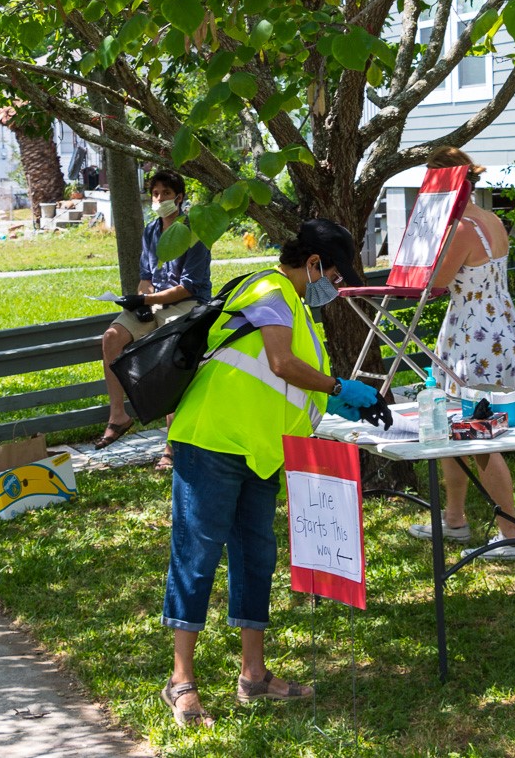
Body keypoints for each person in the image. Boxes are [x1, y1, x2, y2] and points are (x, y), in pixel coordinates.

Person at [159, 219, 384, 727]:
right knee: (197, 557)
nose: (335, 286)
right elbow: (281, 363)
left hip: (259, 453)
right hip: (212, 442)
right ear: (313, 264)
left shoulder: (295, 306)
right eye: (334, 275)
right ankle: (180, 681)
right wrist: (338, 386)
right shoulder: (271, 289)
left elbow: (282, 380)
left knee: (256, 558)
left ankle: (254, 676)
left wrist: (334, 401)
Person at [407, 147, 515, 560]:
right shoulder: (490, 218)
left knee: (481, 436)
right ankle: (455, 518)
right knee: (456, 426)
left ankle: (511, 535)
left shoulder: (461, 227)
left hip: (475, 336)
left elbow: (435, 283)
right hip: (496, 326)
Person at [96, 168, 212, 463]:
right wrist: (142, 302)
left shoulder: (195, 231)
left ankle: (171, 446)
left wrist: (147, 299)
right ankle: (118, 415)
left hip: (186, 305)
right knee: (111, 338)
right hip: (154, 303)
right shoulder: (151, 230)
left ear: (180, 197)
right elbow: (146, 277)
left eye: (166, 193)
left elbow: (188, 287)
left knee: (170, 360)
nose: (159, 199)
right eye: (155, 193)